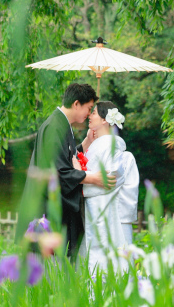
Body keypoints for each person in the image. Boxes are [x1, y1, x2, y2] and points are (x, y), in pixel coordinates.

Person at [20, 83, 116, 260]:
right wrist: (91, 178)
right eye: (88, 108)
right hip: (47, 210)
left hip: (51, 206)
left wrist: (85, 144)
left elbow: (64, 157)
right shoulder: (55, 127)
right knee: (51, 271)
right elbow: (58, 171)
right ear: (76, 104)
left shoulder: (61, 124)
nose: (89, 113)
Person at [76, 100, 139, 275]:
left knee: (103, 263)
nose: (90, 115)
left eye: (94, 112)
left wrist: (79, 176)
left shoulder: (112, 149)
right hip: (95, 211)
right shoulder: (98, 146)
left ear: (105, 120)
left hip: (104, 211)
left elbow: (109, 181)